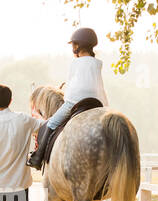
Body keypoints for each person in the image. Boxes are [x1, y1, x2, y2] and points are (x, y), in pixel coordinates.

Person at [26, 27, 109, 170]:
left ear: (77, 46)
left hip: (75, 101)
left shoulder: (75, 63)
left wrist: (67, 98)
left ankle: (37, 157)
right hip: (98, 102)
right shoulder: (98, 63)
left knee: (51, 124)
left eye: (73, 45)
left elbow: (71, 83)